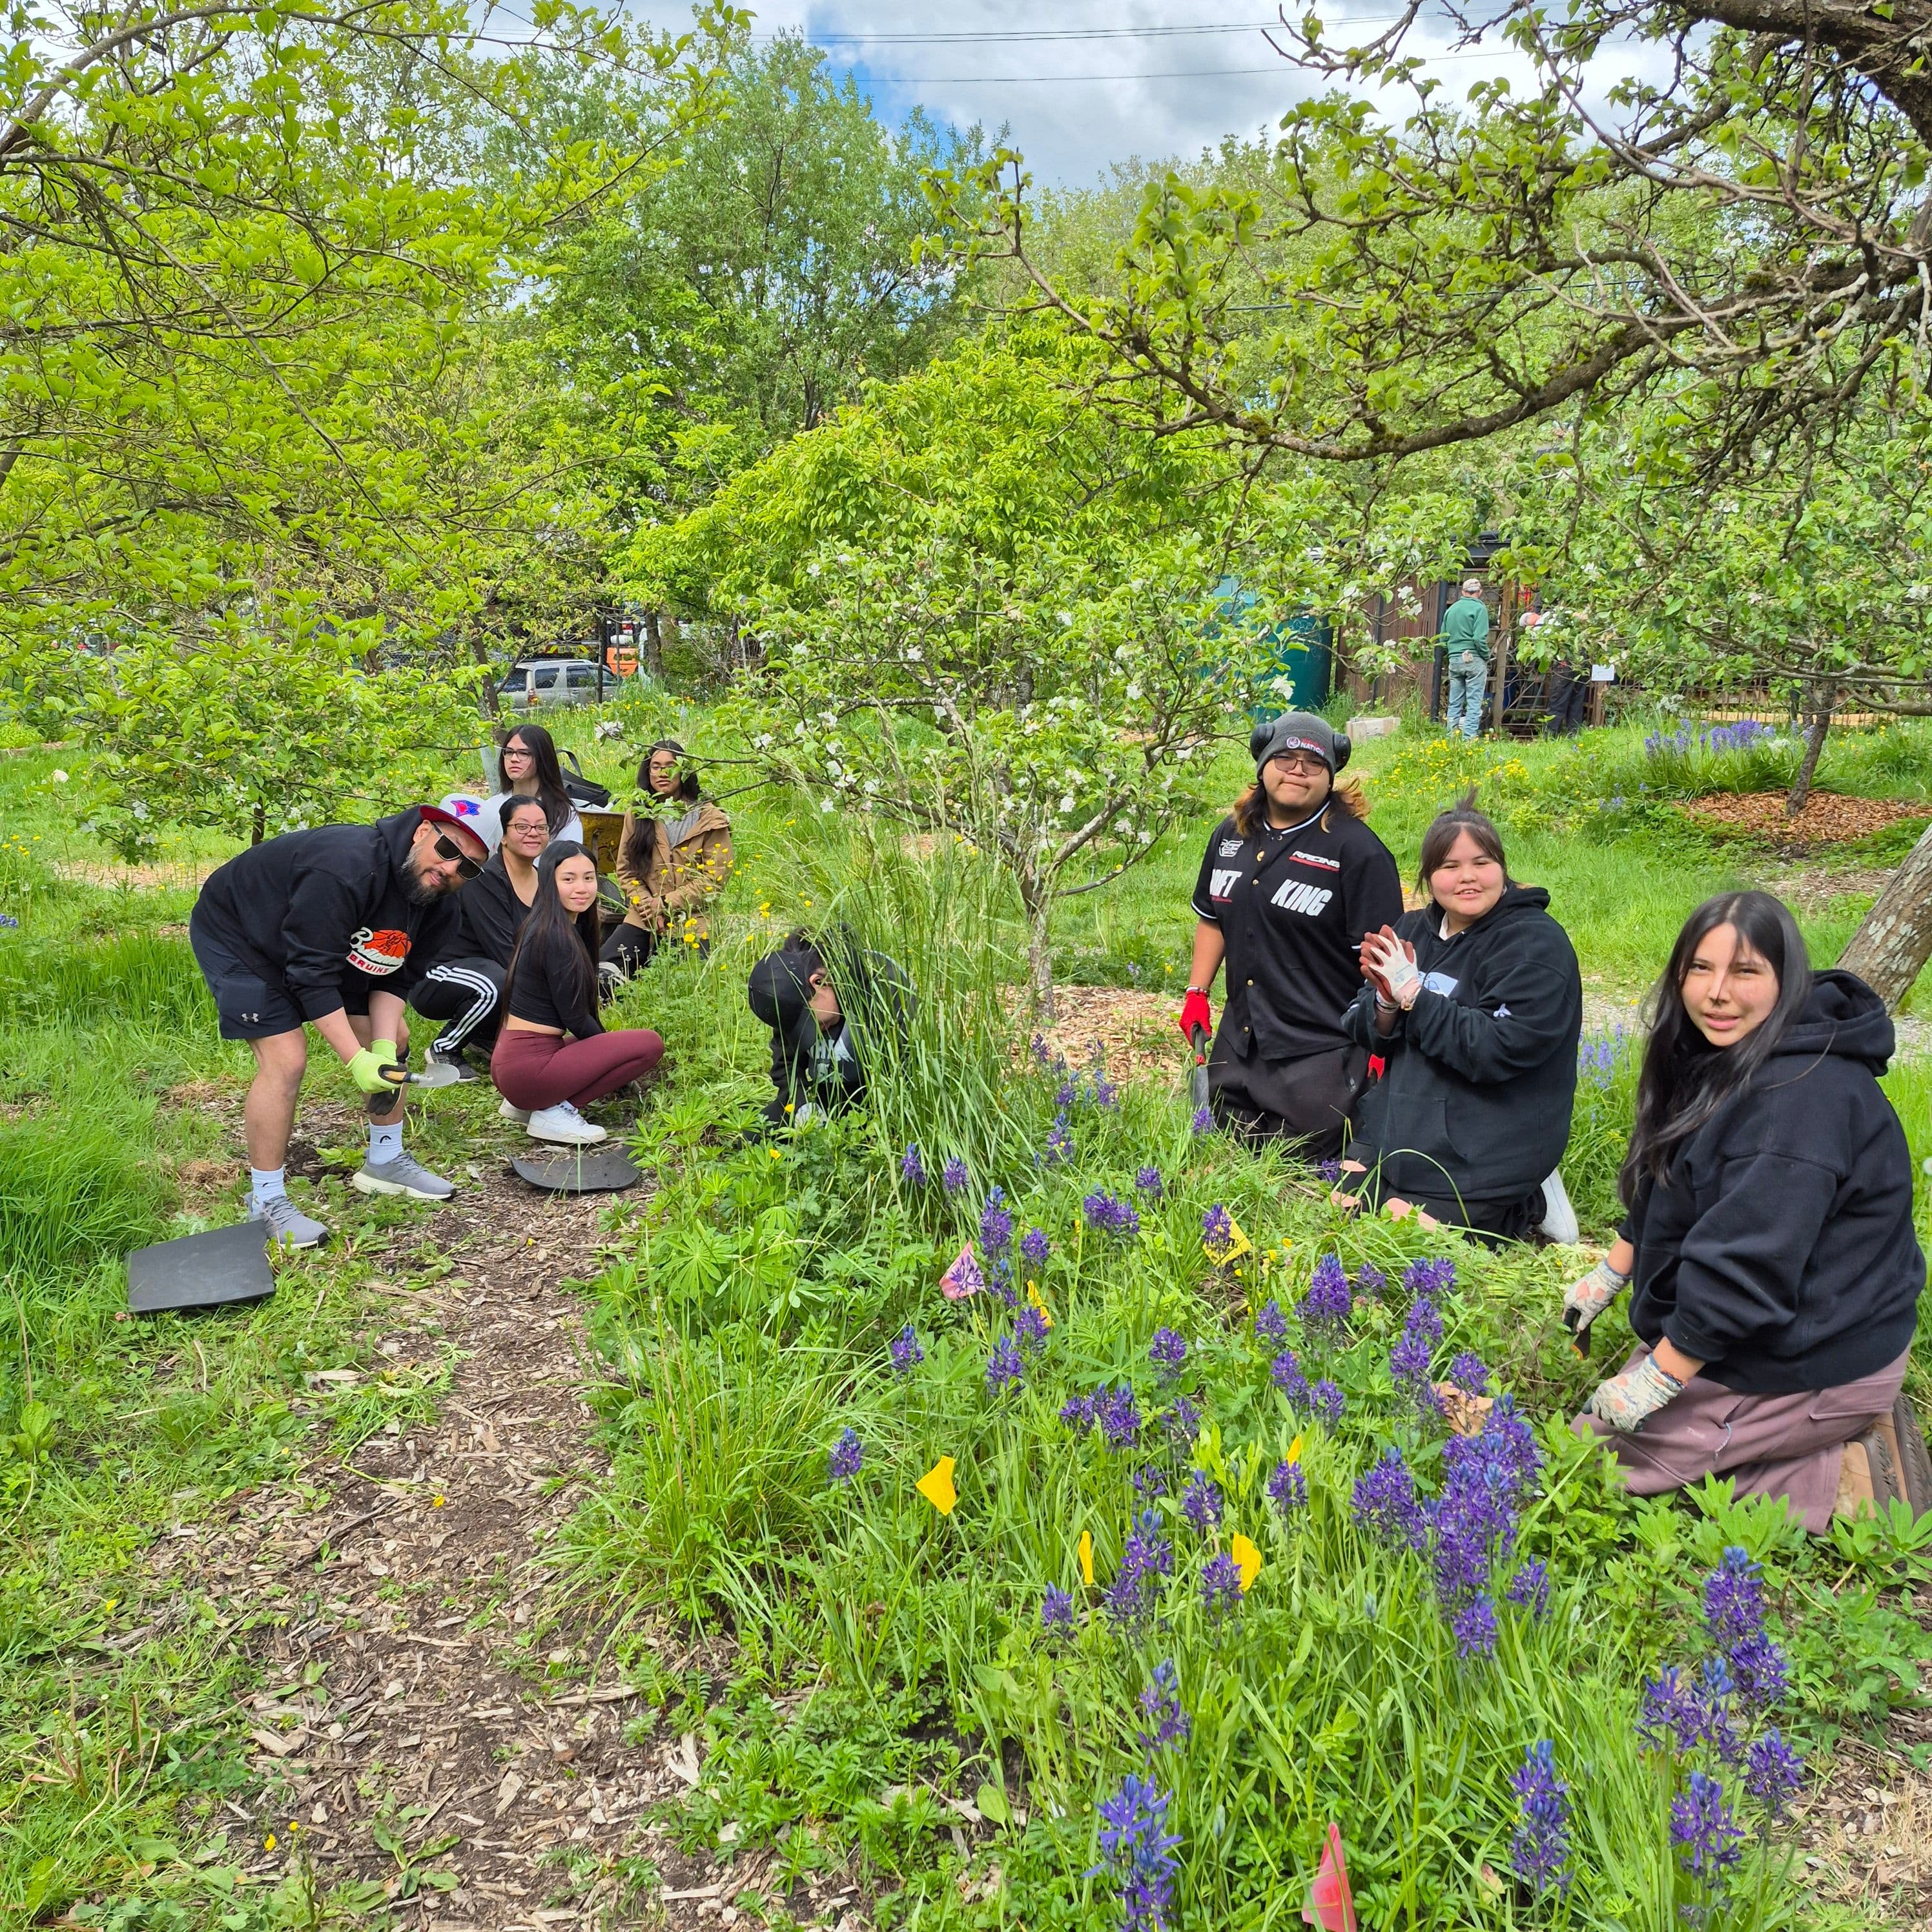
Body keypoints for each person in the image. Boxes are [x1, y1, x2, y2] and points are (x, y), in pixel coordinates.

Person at [1567, 891, 1926, 1532]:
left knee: (1590, 1458)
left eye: (1745, 971)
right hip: (1771, 1326)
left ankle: (1850, 1476)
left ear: (1786, 979)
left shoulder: (1799, 1101)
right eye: (1699, 969)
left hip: (1819, 1348)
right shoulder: (1724, 1050)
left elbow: (1745, 1268)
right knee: (1609, 1416)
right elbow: (1666, 1177)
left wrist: (1660, 1378)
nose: (1715, 993)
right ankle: (1764, 1432)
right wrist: (1612, 1271)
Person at [188, 805, 489, 1248]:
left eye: (468, 867)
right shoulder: (346, 865)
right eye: (447, 849)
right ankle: (265, 1201)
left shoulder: (440, 906)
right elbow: (311, 975)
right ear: (422, 831)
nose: (450, 869)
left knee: (398, 1037)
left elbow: (397, 978)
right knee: (286, 1059)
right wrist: (356, 1060)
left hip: (327, 945)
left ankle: (385, 1159)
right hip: (242, 937)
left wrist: (382, 1048)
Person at [1340, 796, 1582, 1240]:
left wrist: (1414, 994)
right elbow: (1361, 1024)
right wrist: (1387, 1004)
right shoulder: (1414, 930)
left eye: (1482, 862)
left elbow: (1496, 1049)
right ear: (1430, 877)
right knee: (1341, 1206)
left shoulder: (1534, 946)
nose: (1467, 877)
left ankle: (1525, 1201)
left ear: (1502, 868)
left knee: (1400, 1233)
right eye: (1449, 866)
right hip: (1402, 1129)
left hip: (1484, 1141)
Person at [1178, 712, 1404, 1156]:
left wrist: (1382, 1045)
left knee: (1303, 1153)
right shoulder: (1230, 836)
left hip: (1320, 1042)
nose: (1297, 769)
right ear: (1262, 763)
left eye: (1313, 762)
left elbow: (1384, 962)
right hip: (1242, 1034)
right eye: (1284, 757)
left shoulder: (1356, 851)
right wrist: (1196, 991)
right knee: (1221, 1137)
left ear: (1331, 775)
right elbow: (1212, 917)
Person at [491, 841, 665, 1146]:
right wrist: (614, 1063)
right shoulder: (555, 936)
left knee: (617, 1045)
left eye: (589, 877)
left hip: (516, 1062)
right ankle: (557, 1111)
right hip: (527, 1070)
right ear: (549, 881)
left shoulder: (555, 925)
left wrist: (606, 1050)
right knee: (648, 1044)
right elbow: (577, 1018)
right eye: (568, 879)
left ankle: (531, 1105)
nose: (582, 888)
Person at [409, 796, 550, 1076]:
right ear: (504, 836)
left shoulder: (545, 878)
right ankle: (445, 1048)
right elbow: (505, 951)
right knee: (497, 983)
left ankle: (483, 1036)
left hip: (486, 968)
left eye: (541, 827)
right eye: (522, 826)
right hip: (438, 976)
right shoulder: (482, 876)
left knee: (506, 977)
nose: (533, 833)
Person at [746, 927, 912, 1127]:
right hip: (825, 1098)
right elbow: (786, 1066)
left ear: (818, 982)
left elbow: (911, 1068)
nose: (815, 1031)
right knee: (756, 1132)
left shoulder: (884, 987)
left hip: (880, 1100)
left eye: (810, 1022)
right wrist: (802, 1106)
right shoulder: (789, 996)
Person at [602, 740, 734, 977]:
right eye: (655, 766)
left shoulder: (709, 817)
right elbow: (626, 870)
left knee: (683, 977)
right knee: (605, 968)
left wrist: (664, 905)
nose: (662, 773)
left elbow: (714, 879)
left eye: (670, 766)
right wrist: (648, 907)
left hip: (695, 918)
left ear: (684, 770)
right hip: (644, 916)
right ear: (647, 771)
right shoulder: (639, 813)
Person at [475, 723, 584, 852]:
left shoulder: (563, 813)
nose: (514, 759)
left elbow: (571, 863)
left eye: (524, 753)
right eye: (509, 752)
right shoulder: (491, 808)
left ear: (542, 758)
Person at [1441, 578, 1492, 741]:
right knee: (1474, 703)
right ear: (1480, 592)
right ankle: (1468, 740)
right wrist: (1486, 655)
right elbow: (1479, 638)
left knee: (1454, 702)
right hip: (1474, 659)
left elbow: (1443, 640)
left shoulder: (1452, 609)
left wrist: (1452, 652)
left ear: (1462, 592)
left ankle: (1450, 738)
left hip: (1455, 659)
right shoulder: (1480, 608)